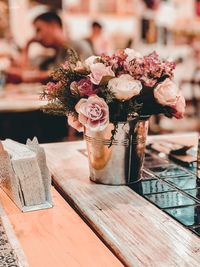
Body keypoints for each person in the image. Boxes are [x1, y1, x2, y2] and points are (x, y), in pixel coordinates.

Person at [6, 11, 93, 83]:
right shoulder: (54, 55)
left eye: (38, 30)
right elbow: (23, 69)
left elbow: (71, 73)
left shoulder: (79, 45)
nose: (37, 37)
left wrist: (31, 77)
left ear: (53, 25)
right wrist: (28, 44)